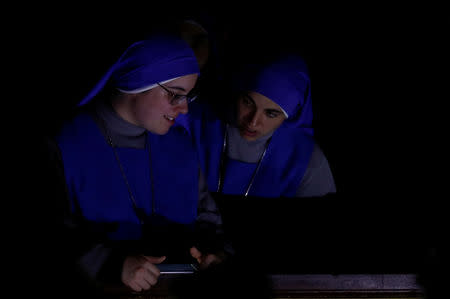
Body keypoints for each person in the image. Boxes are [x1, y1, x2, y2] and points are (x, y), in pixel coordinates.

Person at [50, 31, 231, 294]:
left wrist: (215, 254)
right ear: (138, 82)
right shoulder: (62, 143)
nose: (184, 110)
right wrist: (110, 263)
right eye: (175, 95)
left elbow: (208, 220)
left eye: (188, 96)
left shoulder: (180, 144)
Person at [181, 53, 336, 198]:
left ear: (291, 114)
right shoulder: (194, 122)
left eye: (271, 114)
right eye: (248, 103)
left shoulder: (307, 161)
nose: (253, 122)